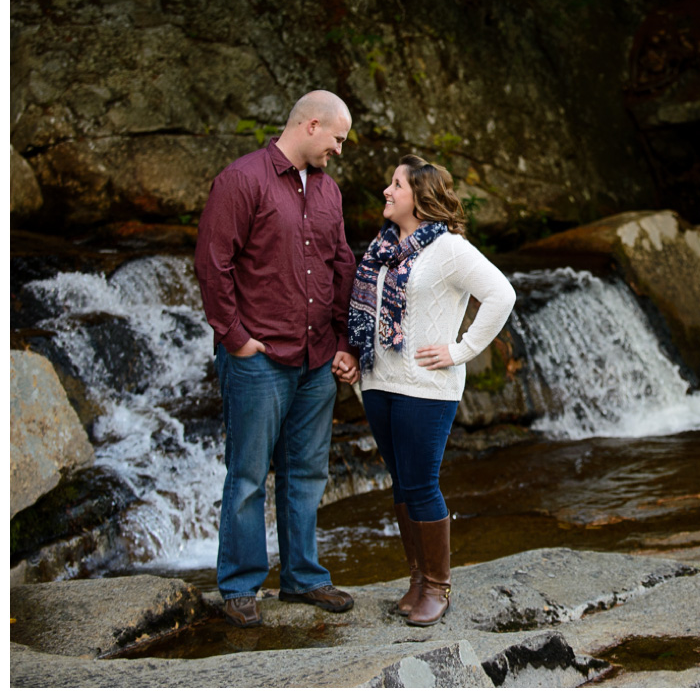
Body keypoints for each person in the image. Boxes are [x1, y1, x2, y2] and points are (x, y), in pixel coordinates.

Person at [194, 90, 361, 628]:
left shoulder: (330, 192)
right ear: (311, 125)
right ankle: (241, 584)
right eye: (337, 138)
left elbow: (341, 262)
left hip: (316, 357)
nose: (339, 149)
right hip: (258, 358)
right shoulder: (242, 180)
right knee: (246, 474)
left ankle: (304, 578)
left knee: (308, 471)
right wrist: (235, 336)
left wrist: (343, 339)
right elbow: (212, 264)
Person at [349, 154, 515, 626]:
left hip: (427, 388)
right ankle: (417, 579)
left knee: (421, 485)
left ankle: (438, 586)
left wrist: (461, 350)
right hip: (379, 383)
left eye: (396, 185)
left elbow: (502, 294)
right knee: (401, 485)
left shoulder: (449, 249)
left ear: (420, 199)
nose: (387, 191)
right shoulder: (382, 248)